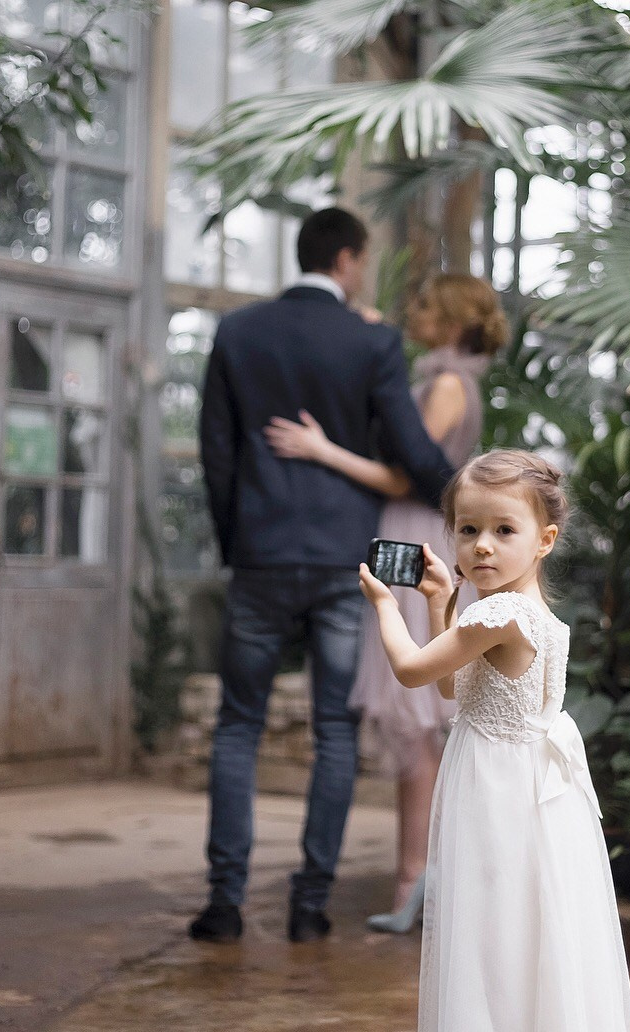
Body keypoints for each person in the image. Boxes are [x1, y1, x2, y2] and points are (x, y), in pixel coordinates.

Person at [191, 207, 455, 945]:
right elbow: (411, 448)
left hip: (261, 554)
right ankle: (309, 908)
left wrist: (238, 540)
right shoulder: (371, 341)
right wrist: (463, 497)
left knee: (237, 725)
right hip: (345, 559)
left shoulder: (238, 331)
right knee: (334, 731)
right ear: (345, 260)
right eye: (362, 262)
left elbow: (217, 453)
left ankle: (224, 904)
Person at [359, 449, 630, 1031]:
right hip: (523, 785)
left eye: (504, 530)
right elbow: (453, 689)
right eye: (468, 530)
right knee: (520, 924)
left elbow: (412, 671)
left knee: (489, 925)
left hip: (497, 789)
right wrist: (439, 601)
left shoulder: (502, 614)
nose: (482, 546)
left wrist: (386, 605)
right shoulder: (525, 611)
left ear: (544, 540)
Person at [263, 274, 508, 931]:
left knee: (416, 720)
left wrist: (321, 450)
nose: (413, 311)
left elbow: (404, 474)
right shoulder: (443, 378)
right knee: (416, 724)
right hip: (410, 533)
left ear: (452, 320)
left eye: (425, 304)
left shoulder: (449, 384)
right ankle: (424, 878)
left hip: (415, 534)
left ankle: (414, 881)